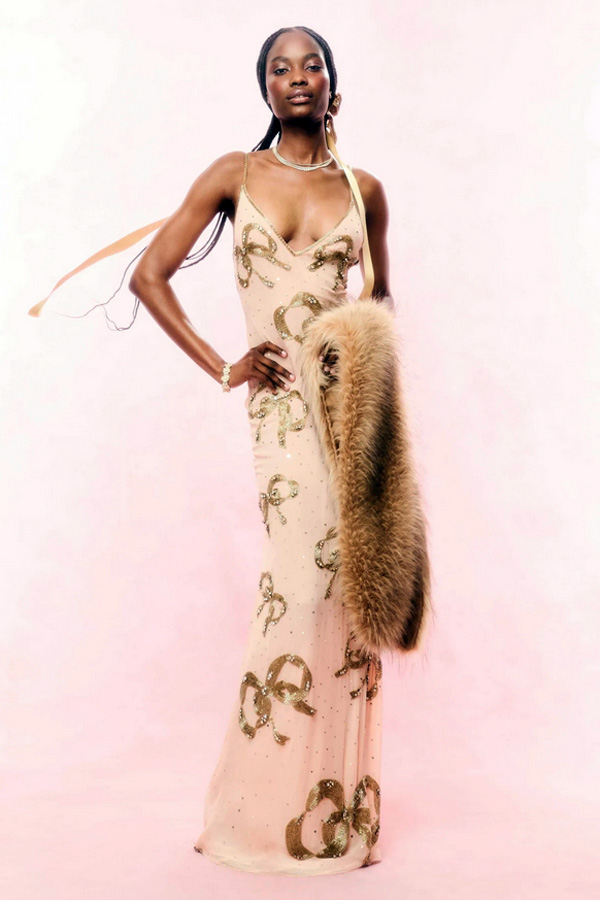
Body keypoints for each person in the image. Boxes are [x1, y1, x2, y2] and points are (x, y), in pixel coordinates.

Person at [29, 23, 431, 875]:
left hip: (347, 418)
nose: (297, 76)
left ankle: (336, 817)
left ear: (333, 86)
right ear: (265, 87)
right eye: (280, 67)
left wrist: (361, 370)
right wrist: (227, 365)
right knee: (297, 588)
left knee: (347, 592)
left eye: (311, 64)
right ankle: (258, 816)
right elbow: (148, 274)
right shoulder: (233, 175)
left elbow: (382, 301)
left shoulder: (364, 191)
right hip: (281, 422)